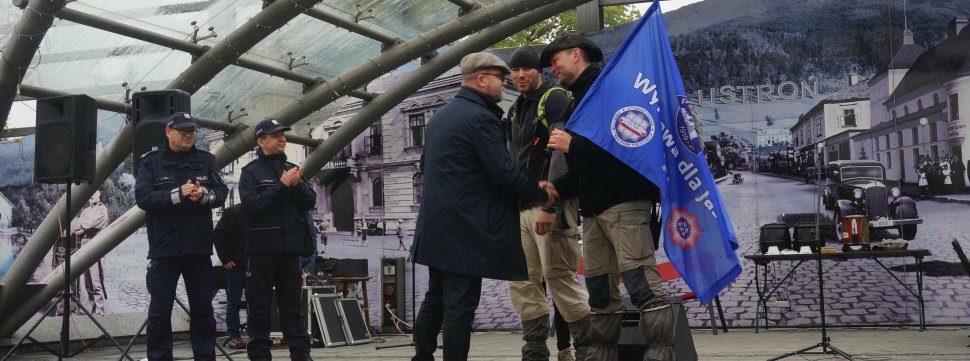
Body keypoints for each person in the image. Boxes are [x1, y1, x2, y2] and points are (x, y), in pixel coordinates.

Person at [410, 52, 558, 361]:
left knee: (435, 297)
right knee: (459, 306)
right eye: (499, 78)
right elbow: (502, 171)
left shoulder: (440, 117)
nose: (504, 84)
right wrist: (537, 191)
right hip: (464, 230)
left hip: (436, 226)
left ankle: (422, 356)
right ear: (481, 79)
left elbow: (425, 165)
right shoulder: (481, 117)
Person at [542, 34, 675, 360]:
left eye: (555, 60)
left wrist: (571, 145)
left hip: (626, 202)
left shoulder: (609, 89)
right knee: (600, 292)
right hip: (595, 209)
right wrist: (558, 187)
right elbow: (587, 166)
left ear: (576, 54)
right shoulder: (578, 100)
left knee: (641, 283)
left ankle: (662, 354)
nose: (552, 69)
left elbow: (625, 143)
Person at [503, 47, 589, 361]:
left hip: (548, 207)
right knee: (523, 285)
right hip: (521, 210)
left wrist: (551, 206)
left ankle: (589, 351)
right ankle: (535, 352)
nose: (520, 75)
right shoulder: (514, 110)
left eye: (526, 69)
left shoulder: (553, 98)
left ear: (539, 71)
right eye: (515, 70)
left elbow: (561, 152)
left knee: (560, 280)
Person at [135, 112, 228, 361]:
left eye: (192, 131)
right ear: (168, 132)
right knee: (159, 312)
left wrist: (203, 196)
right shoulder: (150, 162)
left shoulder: (207, 160)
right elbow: (143, 197)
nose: (189, 135)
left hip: (198, 248)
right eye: (183, 130)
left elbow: (221, 191)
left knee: (203, 311)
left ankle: (205, 357)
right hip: (164, 249)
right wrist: (177, 194)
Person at [239, 118, 316, 361]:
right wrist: (282, 186)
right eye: (275, 135)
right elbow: (253, 206)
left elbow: (310, 201)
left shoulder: (293, 167)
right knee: (259, 309)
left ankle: (302, 356)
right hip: (262, 252)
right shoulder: (250, 173)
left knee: (293, 309)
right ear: (261, 141)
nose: (282, 138)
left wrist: (296, 185)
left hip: (290, 250)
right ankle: (260, 357)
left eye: (282, 134)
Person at [212, 202, 247, 349]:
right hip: (236, 265)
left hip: (256, 264)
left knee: (259, 302)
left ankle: (258, 334)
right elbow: (217, 234)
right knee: (234, 302)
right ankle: (234, 335)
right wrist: (225, 259)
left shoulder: (261, 210)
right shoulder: (233, 212)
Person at [72, 190, 109, 315]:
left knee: (96, 281)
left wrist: (84, 226)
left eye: (95, 193)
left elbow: (96, 223)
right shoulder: (85, 211)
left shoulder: (102, 209)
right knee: (87, 282)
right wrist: (84, 227)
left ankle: (100, 312)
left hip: (96, 246)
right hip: (84, 247)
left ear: (99, 194)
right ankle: (93, 310)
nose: (92, 195)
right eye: (90, 193)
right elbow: (76, 229)